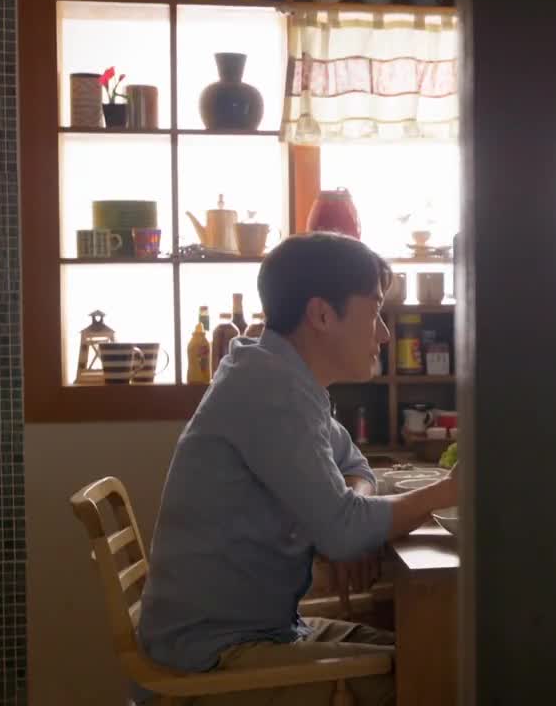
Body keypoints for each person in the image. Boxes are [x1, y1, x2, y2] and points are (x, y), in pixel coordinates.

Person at [135, 233, 457, 705]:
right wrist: (451, 490)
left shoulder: (279, 377)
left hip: (259, 631)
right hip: (212, 655)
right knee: (437, 678)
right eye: (374, 312)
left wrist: (349, 511)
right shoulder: (271, 393)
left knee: (440, 654)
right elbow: (343, 532)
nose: (384, 334)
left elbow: (354, 467)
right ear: (322, 315)